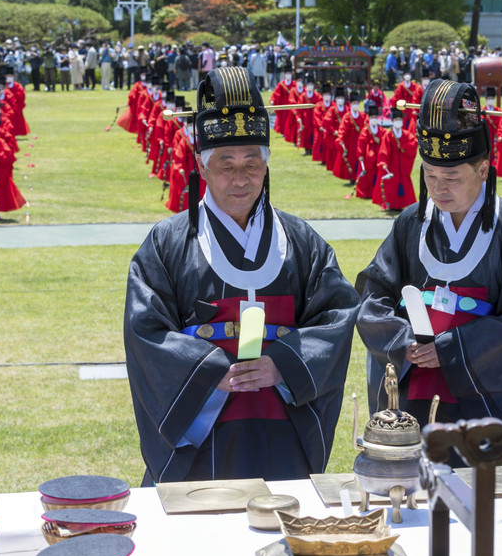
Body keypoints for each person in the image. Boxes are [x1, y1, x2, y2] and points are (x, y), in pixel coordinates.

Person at [124, 66, 360, 484]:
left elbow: (337, 319)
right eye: (225, 164)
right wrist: (209, 373)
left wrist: (283, 365)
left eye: (252, 163)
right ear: (201, 166)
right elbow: (147, 334)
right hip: (202, 430)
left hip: (282, 426)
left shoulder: (303, 242)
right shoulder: (166, 244)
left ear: (266, 166)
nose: (239, 178)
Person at [355, 77, 502, 435]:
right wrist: (403, 341)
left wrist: (452, 348)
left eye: (450, 176)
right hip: (415, 389)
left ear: (482, 169)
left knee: (476, 484)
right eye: (429, 175)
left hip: (482, 392)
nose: (437, 188)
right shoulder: (409, 224)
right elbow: (373, 296)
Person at [373, 108, 416, 211]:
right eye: (396, 119)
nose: (398, 121)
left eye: (399, 119)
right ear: (392, 121)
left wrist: (403, 146)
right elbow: (384, 150)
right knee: (391, 184)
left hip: (403, 164)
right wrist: (383, 162)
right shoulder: (388, 135)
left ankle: (405, 204)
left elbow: (413, 143)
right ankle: (391, 205)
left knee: (404, 183)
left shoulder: (406, 134)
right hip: (392, 164)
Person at [333, 90, 367, 184]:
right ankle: (352, 178)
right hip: (350, 142)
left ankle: (360, 177)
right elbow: (342, 129)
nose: (355, 105)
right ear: (350, 104)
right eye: (354, 103)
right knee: (351, 160)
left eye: (357, 103)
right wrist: (340, 138)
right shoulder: (347, 116)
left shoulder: (363, 116)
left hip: (360, 142)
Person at [354, 103, 384, 200]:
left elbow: (385, 139)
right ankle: (366, 193)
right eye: (372, 117)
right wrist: (361, 154)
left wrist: (380, 140)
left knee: (377, 175)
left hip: (378, 154)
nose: (374, 119)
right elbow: (361, 142)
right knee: (367, 175)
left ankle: (376, 193)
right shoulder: (365, 130)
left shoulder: (380, 130)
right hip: (368, 156)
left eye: (376, 117)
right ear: (369, 118)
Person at [270, 70, 293, 138]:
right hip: (283, 103)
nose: (288, 75)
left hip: (291, 103)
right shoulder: (281, 84)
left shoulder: (294, 84)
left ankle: (290, 132)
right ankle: (283, 132)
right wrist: (273, 100)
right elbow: (276, 93)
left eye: (289, 73)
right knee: (283, 118)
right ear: (285, 74)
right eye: (287, 73)